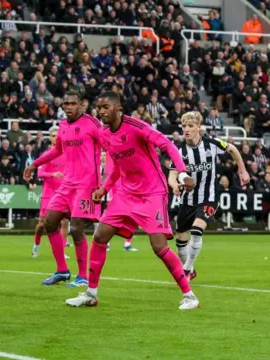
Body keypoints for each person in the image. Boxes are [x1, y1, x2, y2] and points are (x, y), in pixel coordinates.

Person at [65, 91, 200, 310]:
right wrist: (104, 188)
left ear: (119, 108)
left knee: (159, 247)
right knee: (100, 236)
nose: (101, 112)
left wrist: (182, 174)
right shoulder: (105, 134)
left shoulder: (137, 127)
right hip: (126, 194)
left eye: (106, 107)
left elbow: (168, 145)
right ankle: (91, 293)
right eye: (99, 108)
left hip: (152, 193)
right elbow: (119, 165)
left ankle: (189, 295)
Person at [23, 91, 102, 288]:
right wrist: (34, 165)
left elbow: (109, 144)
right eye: (65, 103)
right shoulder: (63, 126)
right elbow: (57, 150)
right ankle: (62, 270)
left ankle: (83, 276)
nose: (68, 107)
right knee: (49, 222)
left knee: (76, 227)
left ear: (81, 105)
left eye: (72, 103)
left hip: (86, 184)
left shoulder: (92, 123)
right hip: (67, 184)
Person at [169, 112, 249, 280]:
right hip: (187, 201)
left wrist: (242, 170)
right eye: (184, 126)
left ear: (199, 127)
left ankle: (186, 269)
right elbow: (172, 175)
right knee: (181, 244)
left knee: (197, 231)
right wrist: (175, 185)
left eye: (191, 126)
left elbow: (233, 149)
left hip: (208, 197)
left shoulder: (211, 144)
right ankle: (191, 269)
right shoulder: (178, 150)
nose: (187, 129)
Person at [33, 127, 70, 259]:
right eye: (53, 135)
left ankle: (62, 250)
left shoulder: (68, 154)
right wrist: (53, 174)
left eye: (58, 135)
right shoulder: (46, 154)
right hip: (49, 193)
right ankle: (36, 245)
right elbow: (39, 173)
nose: (56, 138)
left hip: (64, 193)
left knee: (65, 222)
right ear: (50, 138)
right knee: (42, 224)